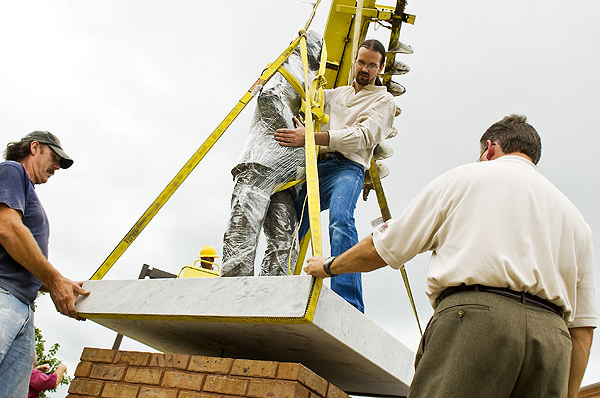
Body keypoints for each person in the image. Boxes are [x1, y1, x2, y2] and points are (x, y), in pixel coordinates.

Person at [304, 114, 596, 398]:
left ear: (490, 148)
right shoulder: (575, 219)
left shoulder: (465, 178)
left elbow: (384, 247)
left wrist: (329, 266)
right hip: (551, 340)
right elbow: (583, 329)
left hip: (477, 322)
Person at [274, 39, 396, 313]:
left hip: (348, 168)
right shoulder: (335, 94)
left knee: (341, 218)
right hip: (318, 166)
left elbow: (362, 136)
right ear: (355, 60)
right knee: (292, 222)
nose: (365, 69)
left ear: (381, 68)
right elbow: (305, 97)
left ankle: (347, 301)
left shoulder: (383, 100)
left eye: (372, 65)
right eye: (362, 62)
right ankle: (277, 283)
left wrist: (308, 136)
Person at [221, 30, 322, 277]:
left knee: (284, 240)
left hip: (286, 176)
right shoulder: (288, 67)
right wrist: (297, 138)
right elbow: (269, 97)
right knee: (243, 232)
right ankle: (232, 296)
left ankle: (274, 295)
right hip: (261, 164)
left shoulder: (308, 79)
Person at [0, 131, 90, 396]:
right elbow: (7, 229)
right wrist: (54, 279)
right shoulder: (12, 170)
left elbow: (16, 257)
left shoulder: (26, 192)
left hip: (23, 307)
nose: (57, 167)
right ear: (35, 147)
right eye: (55, 158)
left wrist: (55, 284)